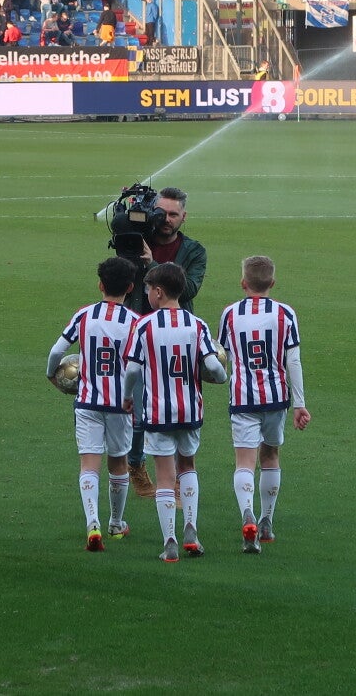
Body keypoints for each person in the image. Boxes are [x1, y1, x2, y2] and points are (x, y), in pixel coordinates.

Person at [124, 262, 227, 562]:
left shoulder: (144, 326)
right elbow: (213, 365)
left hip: (158, 412)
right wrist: (222, 378)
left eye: (148, 289)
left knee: (165, 476)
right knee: (188, 466)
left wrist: (128, 397)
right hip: (190, 409)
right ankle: (191, 529)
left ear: (158, 292)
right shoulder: (197, 324)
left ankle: (169, 541)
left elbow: (132, 370)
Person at [46, 256, 140, 549]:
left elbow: (57, 351)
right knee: (119, 462)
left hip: (87, 402)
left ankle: (92, 523)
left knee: (89, 463)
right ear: (130, 287)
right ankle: (116, 524)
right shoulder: (135, 322)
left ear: (100, 285)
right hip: (120, 405)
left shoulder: (84, 315)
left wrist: (51, 374)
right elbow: (137, 367)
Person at [217, 256, 309, 553]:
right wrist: (299, 404)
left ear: (243, 283)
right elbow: (293, 360)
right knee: (270, 455)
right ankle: (266, 520)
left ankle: (248, 513)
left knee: (245, 461)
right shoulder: (285, 313)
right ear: (273, 283)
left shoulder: (230, 314)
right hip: (275, 397)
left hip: (243, 397)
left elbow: (222, 358)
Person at [124, 187, 207, 498]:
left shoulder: (194, 250)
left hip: (177, 339)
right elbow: (120, 281)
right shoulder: (135, 241)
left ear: (184, 217)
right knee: (138, 411)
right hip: (140, 333)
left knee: (179, 410)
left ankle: (177, 474)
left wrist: (151, 266)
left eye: (173, 214)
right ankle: (135, 464)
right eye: (162, 213)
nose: (167, 220)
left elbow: (189, 289)